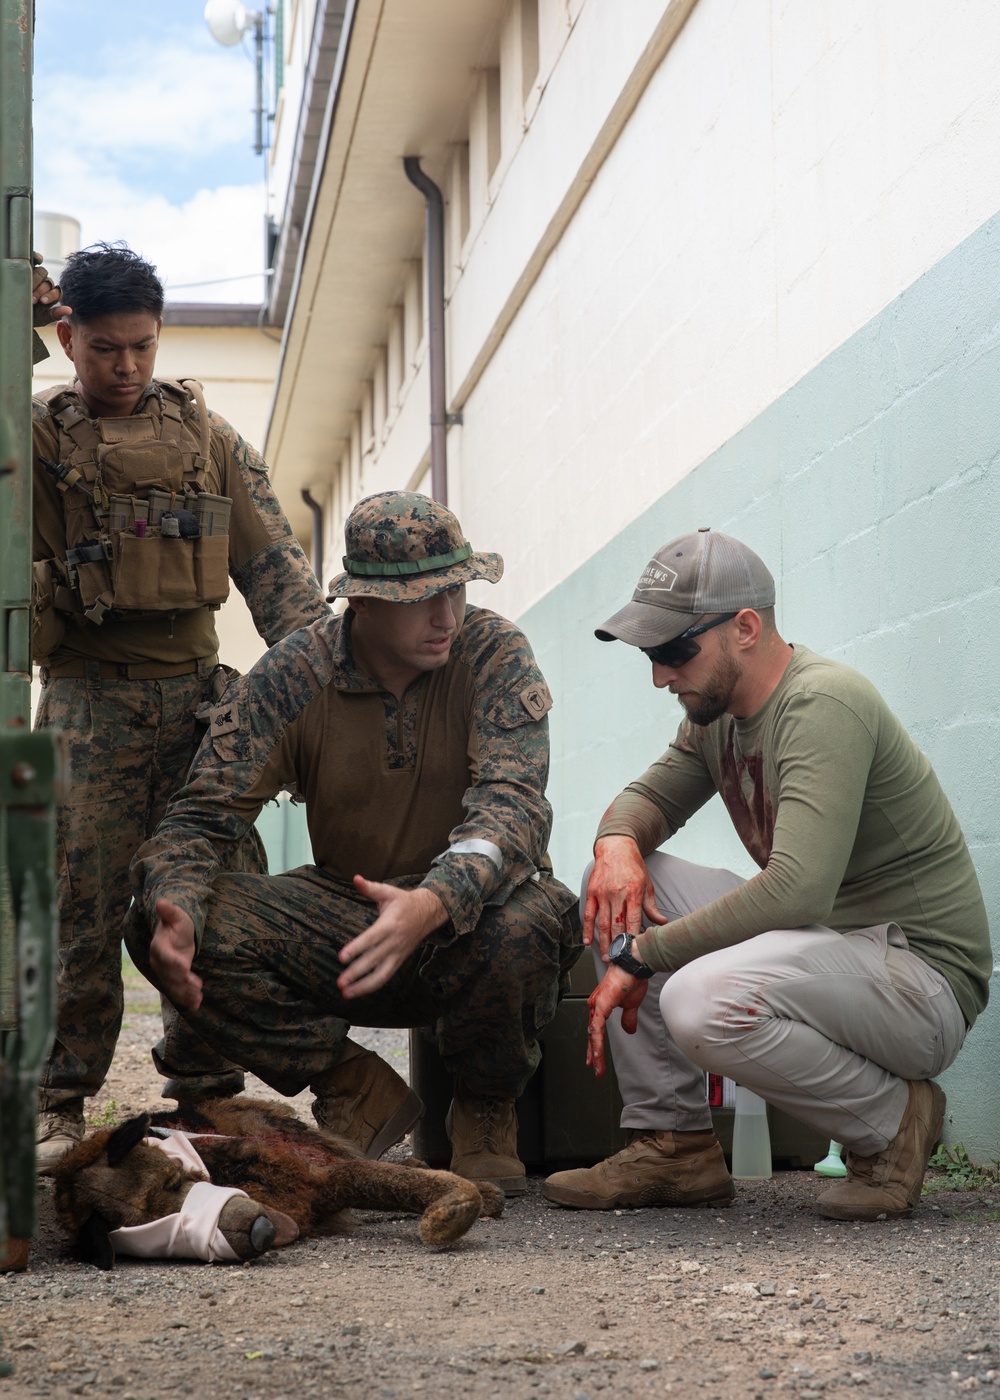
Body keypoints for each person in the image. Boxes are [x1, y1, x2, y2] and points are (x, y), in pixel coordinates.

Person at [124, 490, 582, 1195]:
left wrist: (435, 900)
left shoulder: (492, 651)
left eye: (457, 591)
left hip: (473, 916)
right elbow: (200, 817)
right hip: (348, 917)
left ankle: (486, 1112)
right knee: (157, 914)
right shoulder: (292, 676)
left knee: (528, 920)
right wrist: (177, 903)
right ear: (362, 604)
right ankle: (350, 1083)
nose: (447, 615)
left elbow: (512, 807)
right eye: (422, 599)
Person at [542, 528, 990, 1221]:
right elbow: (648, 800)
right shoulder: (716, 716)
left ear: (745, 628)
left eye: (674, 651)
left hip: (917, 979)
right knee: (621, 886)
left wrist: (644, 956)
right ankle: (675, 1145)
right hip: (825, 945)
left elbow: (797, 888)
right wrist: (616, 844)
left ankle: (896, 1123)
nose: (661, 675)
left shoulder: (822, 704)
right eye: (650, 656)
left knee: (696, 998)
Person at [31, 244, 331, 1172]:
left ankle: (207, 1092)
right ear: (67, 337)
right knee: (78, 909)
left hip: (201, 709)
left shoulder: (208, 440)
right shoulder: (32, 445)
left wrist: (323, 688)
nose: (126, 367)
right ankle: (60, 1099)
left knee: (215, 900)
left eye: (144, 348)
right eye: (106, 349)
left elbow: (277, 573)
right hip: (86, 705)